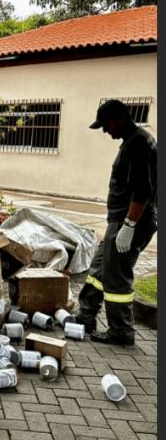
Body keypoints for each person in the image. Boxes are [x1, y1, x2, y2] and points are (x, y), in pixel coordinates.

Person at [75, 99, 157, 346]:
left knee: (117, 278)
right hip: (121, 222)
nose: (104, 130)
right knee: (99, 269)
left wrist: (129, 227)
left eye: (106, 125)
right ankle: (86, 317)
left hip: (129, 223)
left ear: (120, 118)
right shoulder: (137, 140)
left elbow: (143, 189)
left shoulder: (137, 143)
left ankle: (121, 331)